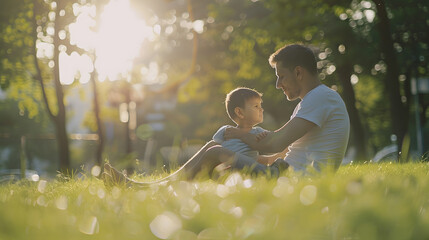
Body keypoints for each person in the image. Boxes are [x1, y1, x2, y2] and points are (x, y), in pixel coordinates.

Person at [103, 87, 288, 187]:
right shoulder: (225, 131)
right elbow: (211, 150)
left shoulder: (259, 133)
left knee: (214, 149)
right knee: (210, 146)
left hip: (235, 171)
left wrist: (275, 158)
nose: (261, 109)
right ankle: (144, 184)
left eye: (260, 105)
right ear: (239, 112)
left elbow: (257, 156)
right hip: (223, 171)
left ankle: (142, 185)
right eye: (256, 106)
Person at [224, 44, 350, 173]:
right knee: (222, 165)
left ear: (298, 73)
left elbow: (274, 143)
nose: (278, 85)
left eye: (282, 76)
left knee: (214, 151)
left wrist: (238, 134)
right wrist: (247, 160)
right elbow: (281, 155)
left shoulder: (321, 96)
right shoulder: (309, 103)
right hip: (286, 173)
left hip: (297, 178)